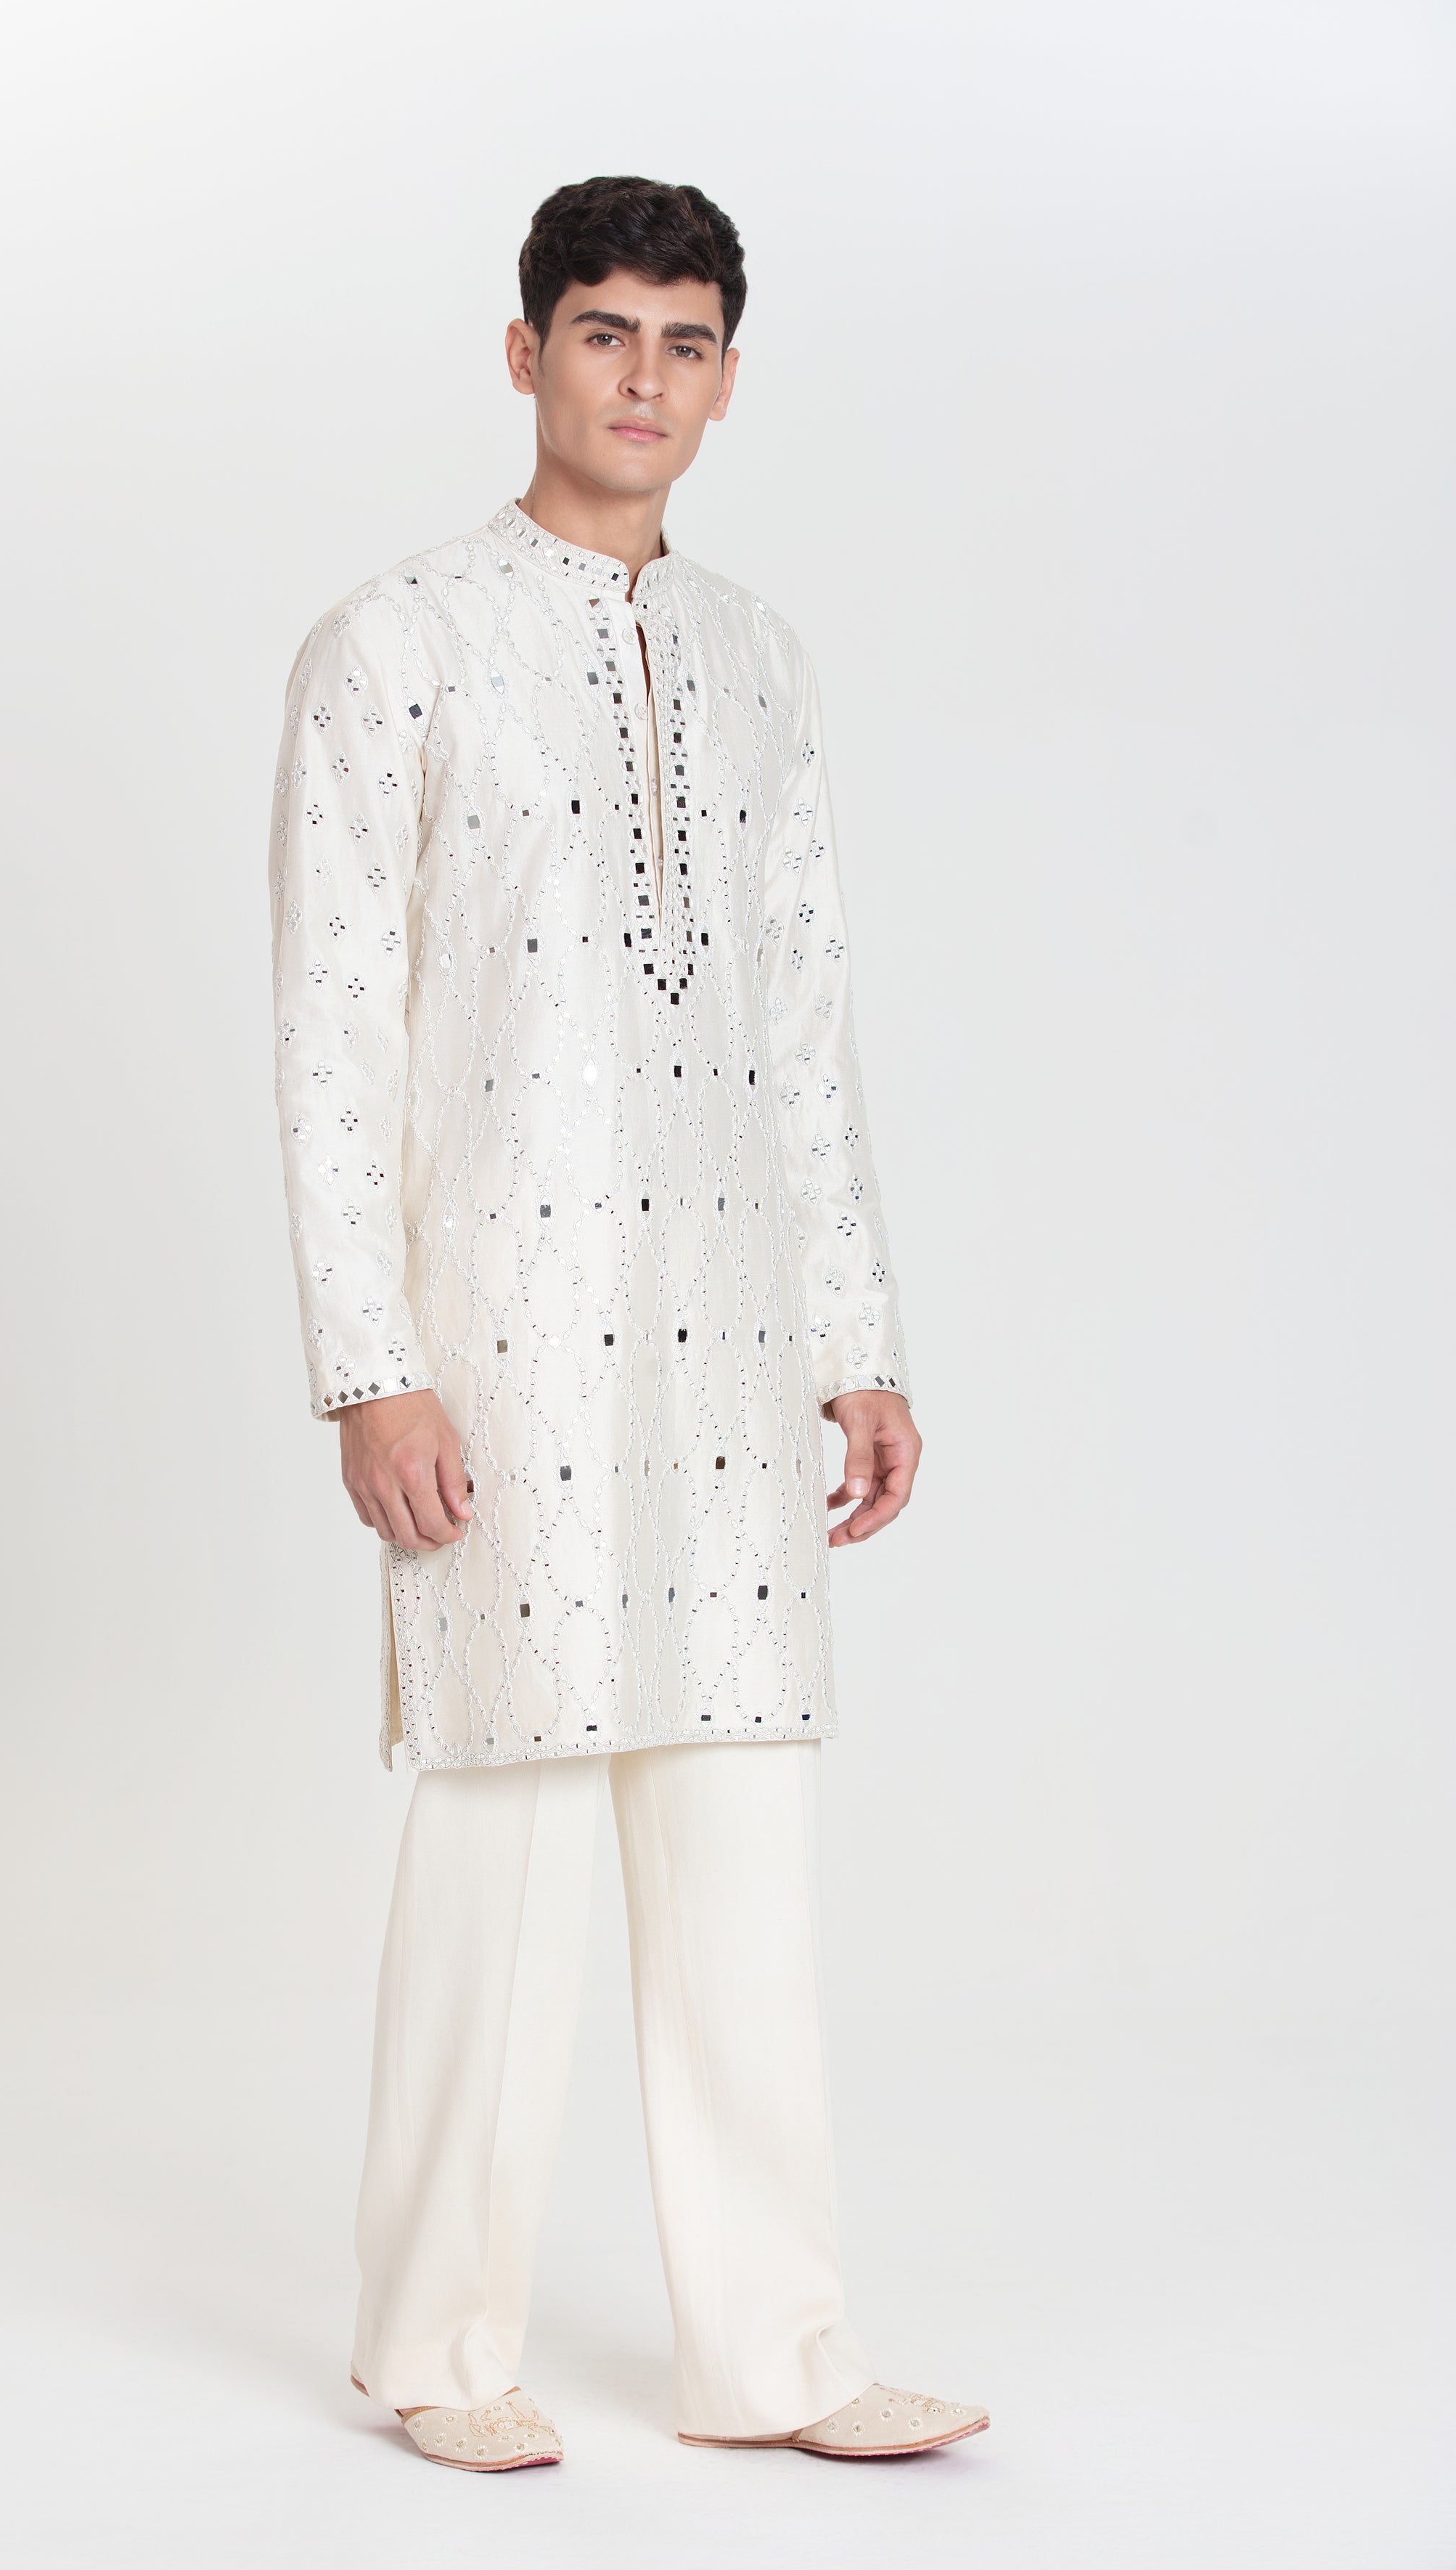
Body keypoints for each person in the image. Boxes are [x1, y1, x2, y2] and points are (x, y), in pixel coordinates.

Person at [269, 174, 986, 2476]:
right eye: (604, 332)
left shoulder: (762, 658)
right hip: (504, 1334)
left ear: (729, 378)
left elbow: (805, 1017)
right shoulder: (395, 643)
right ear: (526, 354)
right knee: (500, 1833)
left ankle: (777, 2358)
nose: (643, 378)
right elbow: (333, 1031)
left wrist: (857, 1339)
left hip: (730, 1326)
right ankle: (434, 2344)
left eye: (685, 342)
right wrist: (373, 1363)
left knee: (742, 1836)